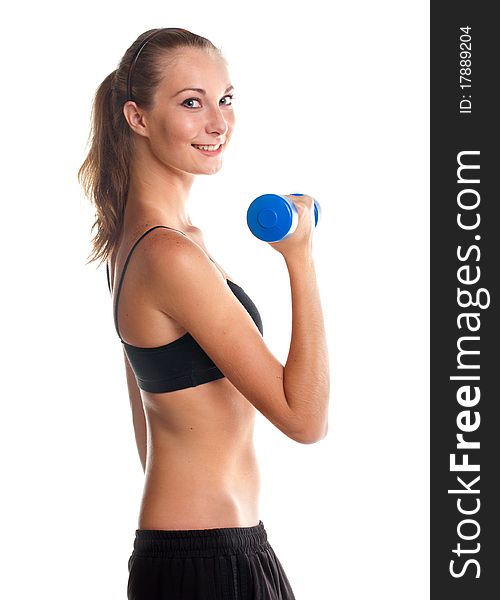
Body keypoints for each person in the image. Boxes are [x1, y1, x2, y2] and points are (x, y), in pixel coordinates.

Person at [78, 27, 329, 600]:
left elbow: (150, 422)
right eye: (192, 102)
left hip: (219, 548)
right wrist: (301, 258)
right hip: (205, 558)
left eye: (226, 98)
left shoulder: (143, 242)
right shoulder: (168, 253)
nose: (219, 122)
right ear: (137, 118)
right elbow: (304, 418)